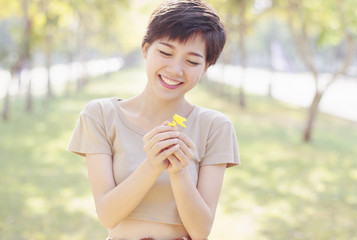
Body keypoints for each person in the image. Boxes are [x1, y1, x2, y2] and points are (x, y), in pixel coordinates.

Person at [67, 0, 240, 239]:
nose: (175, 70)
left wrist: (179, 172)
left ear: (206, 68)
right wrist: (153, 164)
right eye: (165, 52)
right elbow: (107, 215)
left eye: (192, 61)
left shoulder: (215, 127)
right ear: (146, 49)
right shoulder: (100, 115)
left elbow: (200, 232)